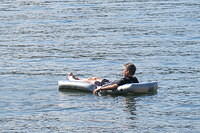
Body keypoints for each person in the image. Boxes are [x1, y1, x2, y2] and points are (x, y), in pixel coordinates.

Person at [67, 63, 139, 95]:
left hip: (105, 84)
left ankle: (73, 79)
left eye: (123, 70)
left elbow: (114, 86)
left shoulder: (124, 80)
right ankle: (77, 78)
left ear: (127, 72)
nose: (122, 71)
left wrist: (100, 88)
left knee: (91, 80)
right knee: (94, 78)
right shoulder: (135, 79)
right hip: (109, 81)